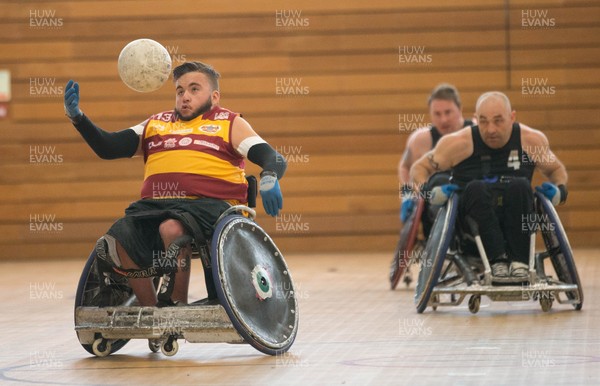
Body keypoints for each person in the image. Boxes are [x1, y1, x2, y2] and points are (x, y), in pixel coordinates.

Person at [64, 61, 287, 306]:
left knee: (172, 228)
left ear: (214, 97)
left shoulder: (229, 122)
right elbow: (108, 147)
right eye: (180, 91)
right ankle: (153, 313)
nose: (185, 97)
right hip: (154, 208)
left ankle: (176, 303)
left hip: (210, 209)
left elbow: (271, 156)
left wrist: (268, 177)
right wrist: (79, 119)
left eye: (194, 89)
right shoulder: (155, 124)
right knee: (120, 236)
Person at [410, 91, 568, 278]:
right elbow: (419, 169)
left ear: (512, 117)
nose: (491, 129)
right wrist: (429, 193)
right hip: (471, 222)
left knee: (521, 185)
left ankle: (519, 262)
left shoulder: (530, 140)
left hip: (516, 217)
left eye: (498, 121)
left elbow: (556, 170)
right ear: (476, 119)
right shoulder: (458, 143)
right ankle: (497, 260)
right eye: (483, 121)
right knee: (476, 187)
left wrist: (559, 191)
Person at [398, 84, 474, 232]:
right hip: (435, 205)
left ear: (460, 109)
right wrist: (407, 194)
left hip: (470, 199)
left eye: (448, 112)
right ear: (430, 114)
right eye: (437, 114)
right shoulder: (421, 139)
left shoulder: (475, 133)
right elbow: (405, 166)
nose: (443, 119)